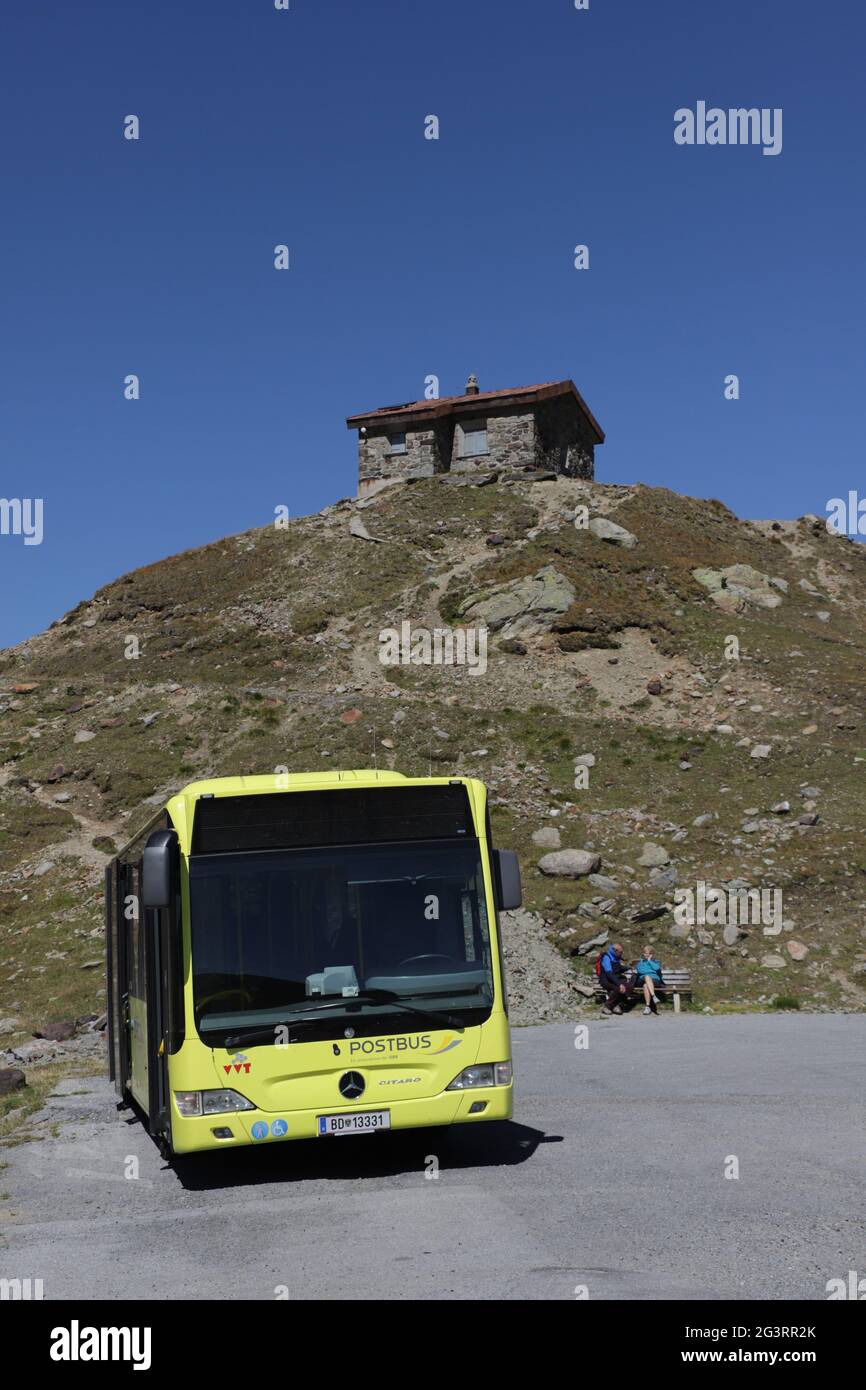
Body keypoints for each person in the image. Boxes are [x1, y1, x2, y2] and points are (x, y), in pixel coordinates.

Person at [599, 942, 632, 1015]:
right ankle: (607, 1006)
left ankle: (617, 1005)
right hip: (606, 980)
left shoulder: (616, 957)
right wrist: (619, 984)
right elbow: (609, 973)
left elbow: (618, 968)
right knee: (618, 988)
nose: (622, 953)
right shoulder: (606, 957)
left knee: (628, 986)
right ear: (615, 951)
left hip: (616, 979)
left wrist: (628, 968)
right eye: (621, 952)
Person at [634, 946, 664, 1015]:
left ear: (652, 954)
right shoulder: (640, 963)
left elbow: (657, 969)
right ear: (643, 954)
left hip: (655, 980)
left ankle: (647, 1007)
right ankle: (654, 996)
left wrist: (649, 961)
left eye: (648, 953)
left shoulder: (656, 962)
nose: (646, 955)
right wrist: (650, 971)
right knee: (647, 976)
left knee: (645, 985)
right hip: (642, 979)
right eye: (645, 953)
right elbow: (640, 971)